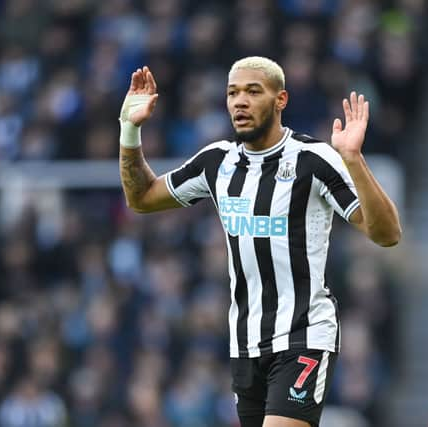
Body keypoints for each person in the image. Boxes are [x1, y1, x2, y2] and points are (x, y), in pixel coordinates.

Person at [118, 56, 401, 427]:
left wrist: (353, 159)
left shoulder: (314, 160)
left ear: (280, 100)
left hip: (304, 334)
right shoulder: (216, 163)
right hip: (246, 343)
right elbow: (141, 198)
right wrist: (129, 130)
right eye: (233, 93)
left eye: (253, 91)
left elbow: (387, 233)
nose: (240, 101)